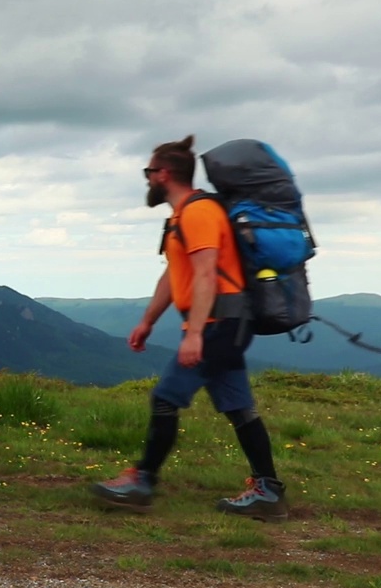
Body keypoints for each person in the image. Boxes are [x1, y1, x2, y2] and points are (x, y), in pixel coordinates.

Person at [89, 134, 288, 522]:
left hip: (220, 324)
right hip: (221, 323)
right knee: (240, 409)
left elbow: (205, 275)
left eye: (149, 172)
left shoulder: (198, 213)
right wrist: (148, 321)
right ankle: (268, 491)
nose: (147, 180)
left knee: (166, 398)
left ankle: (141, 482)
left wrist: (195, 333)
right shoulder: (181, 217)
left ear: (164, 174)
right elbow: (174, 274)